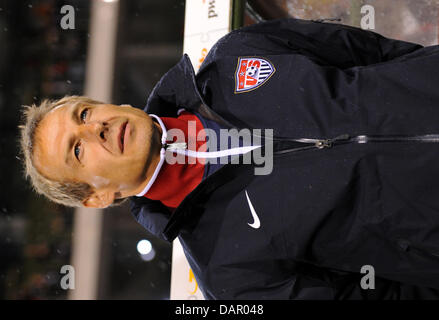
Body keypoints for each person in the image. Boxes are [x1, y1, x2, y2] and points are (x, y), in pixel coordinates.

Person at [19, 17, 439, 299]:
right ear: (97, 197)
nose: (97, 129)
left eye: (85, 113)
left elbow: (371, 51)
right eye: (78, 149)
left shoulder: (234, 54)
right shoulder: (228, 276)